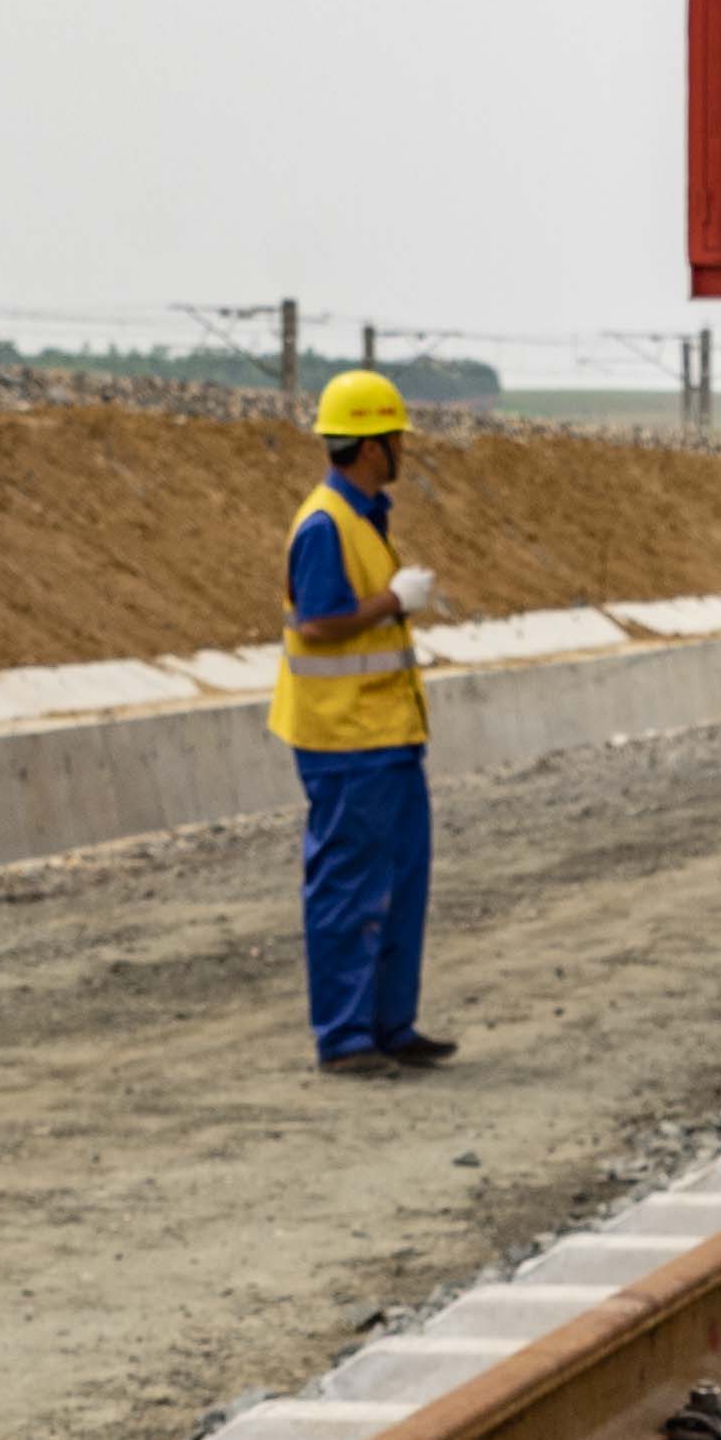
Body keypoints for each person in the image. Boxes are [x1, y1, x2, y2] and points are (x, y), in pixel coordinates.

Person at [271, 368, 447, 1073]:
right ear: (373, 445)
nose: (403, 447)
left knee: (400, 885)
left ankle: (387, 1026)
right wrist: (392, 603)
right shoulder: (325, 523)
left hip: (386, 738)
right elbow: (317, 624)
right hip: (345, 743)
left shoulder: (364, 517)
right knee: (351, 888)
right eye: (396, 436)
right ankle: (345, 1039)